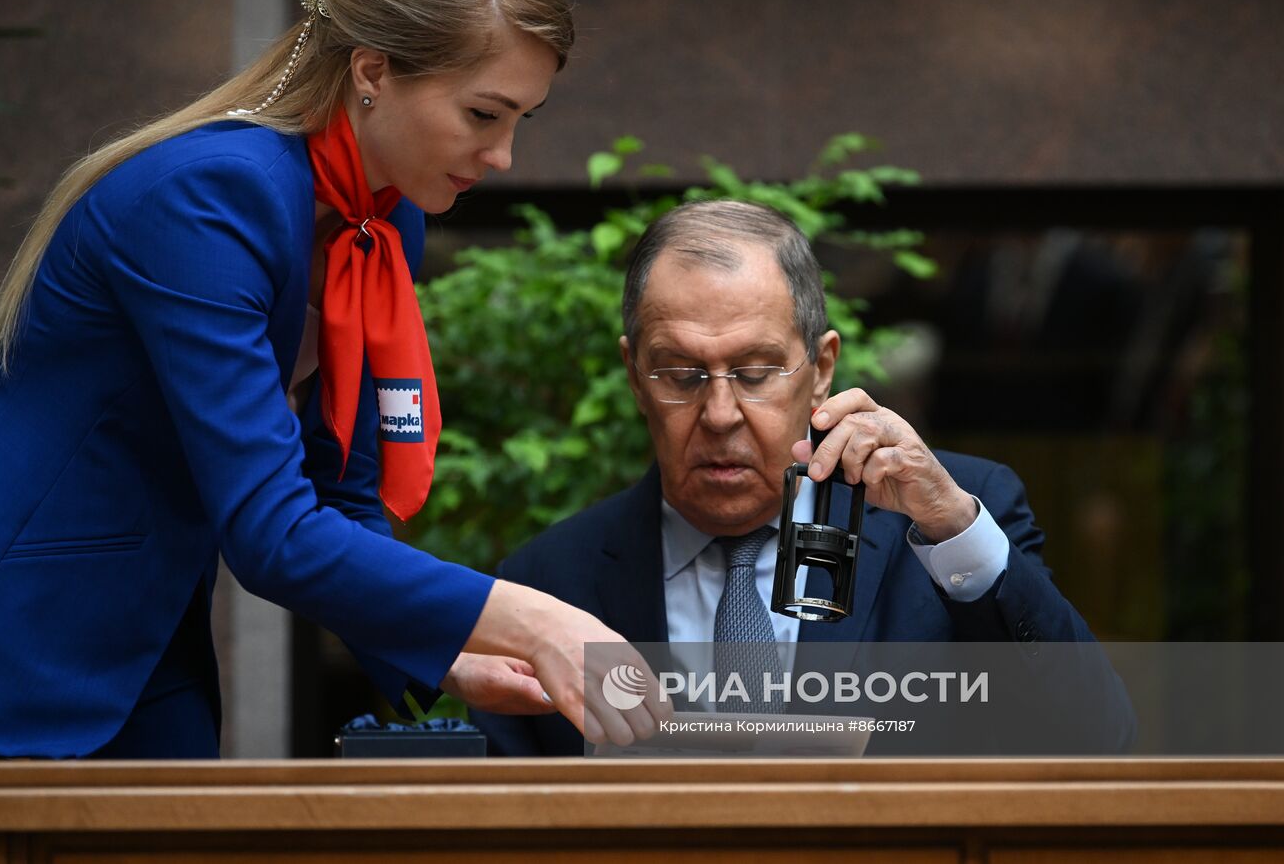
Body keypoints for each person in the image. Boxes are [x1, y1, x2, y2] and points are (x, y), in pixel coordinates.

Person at [0, 0, 665, 864]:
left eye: (520, 120)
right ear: (372, 71)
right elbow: (272, 529)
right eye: (482, 114)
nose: (502, 156)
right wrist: (537, 614)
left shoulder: (389, 217)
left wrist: (445, 655)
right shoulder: (203, 196)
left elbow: (340, 488)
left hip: (142, 645)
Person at [472, 199, 1135, 756]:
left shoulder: (951, 525)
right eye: (680, 374)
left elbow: (1097, 737)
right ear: (634, 377)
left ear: (821, 368)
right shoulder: (549, 582)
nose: (721, 414)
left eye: (757, 373)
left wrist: (954, 527)